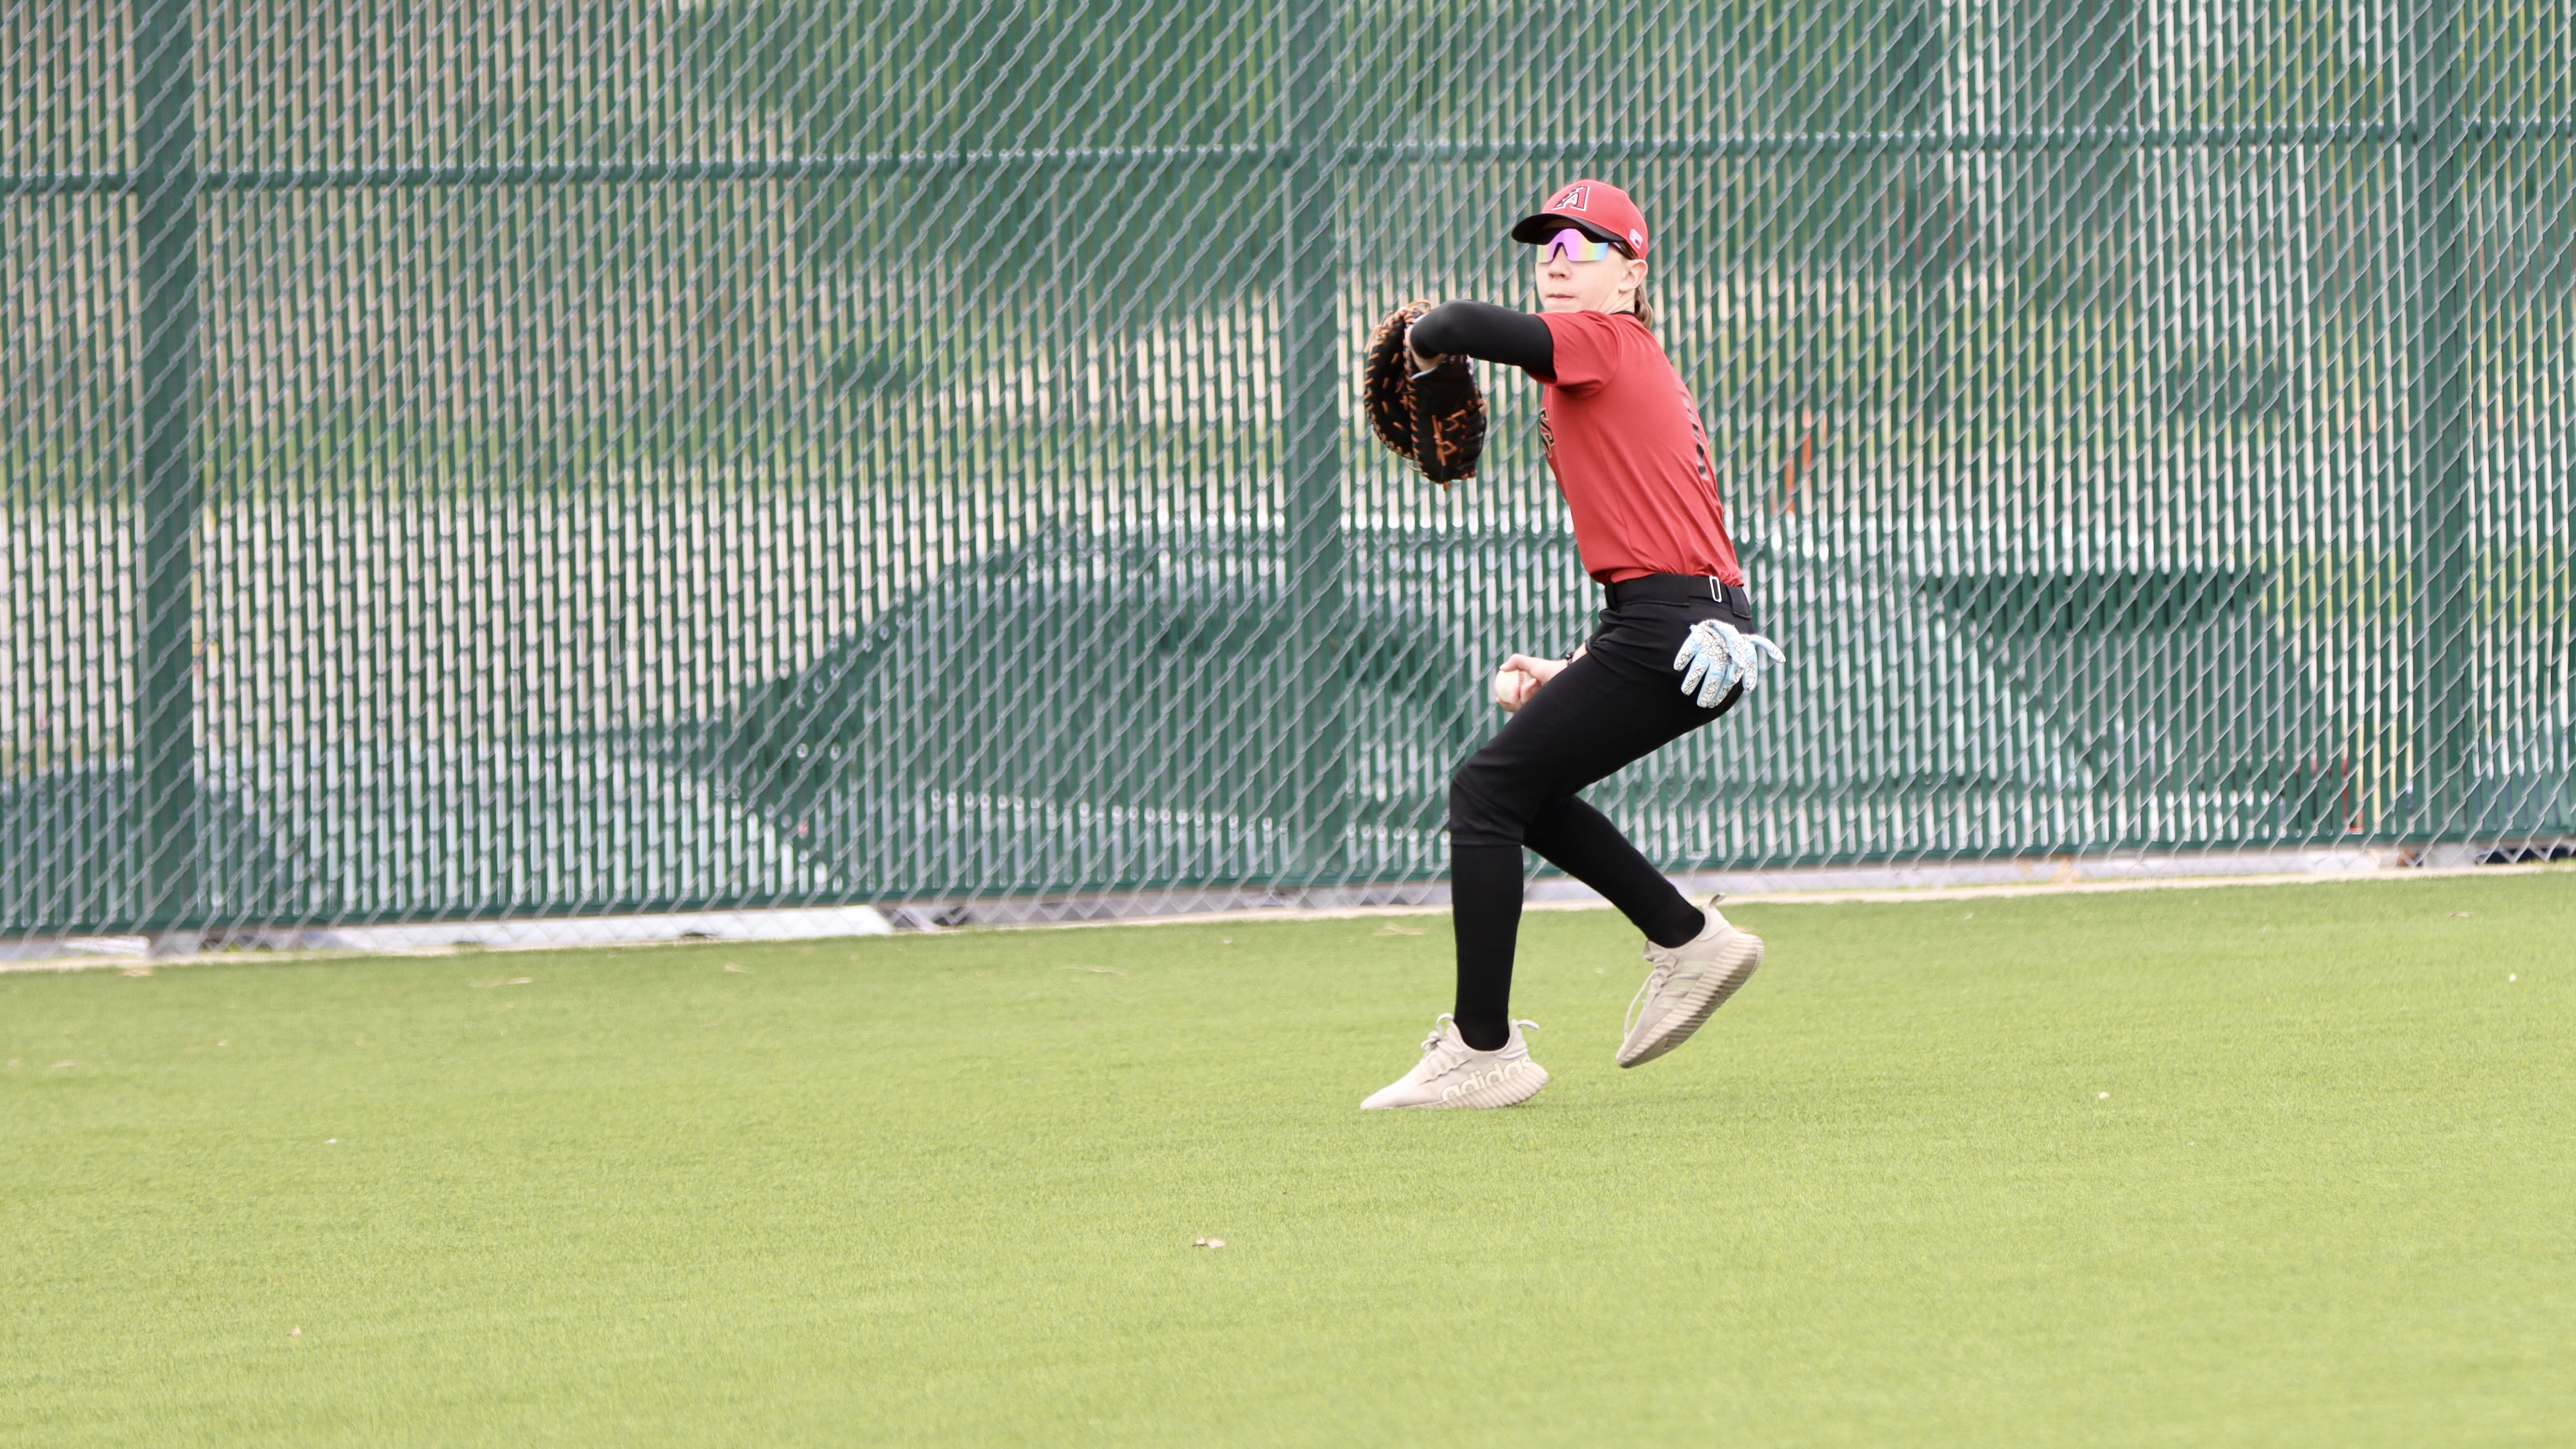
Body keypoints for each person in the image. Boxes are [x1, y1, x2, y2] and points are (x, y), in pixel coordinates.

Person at [1362, 179, 1786, 1110]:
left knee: (1484, 791)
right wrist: (1581, 668)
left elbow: (1462, 322)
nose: (1556, 263)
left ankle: (1484, 1048)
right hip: (1681, 623)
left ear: (1631, 275)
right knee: (1526, 794)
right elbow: (1660, 546)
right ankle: (1688, 938)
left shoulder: (1603, 338)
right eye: (1545, 247)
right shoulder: (1608, 366)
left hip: (1675, 626)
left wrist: (1426, 344)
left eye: (1582, 247)